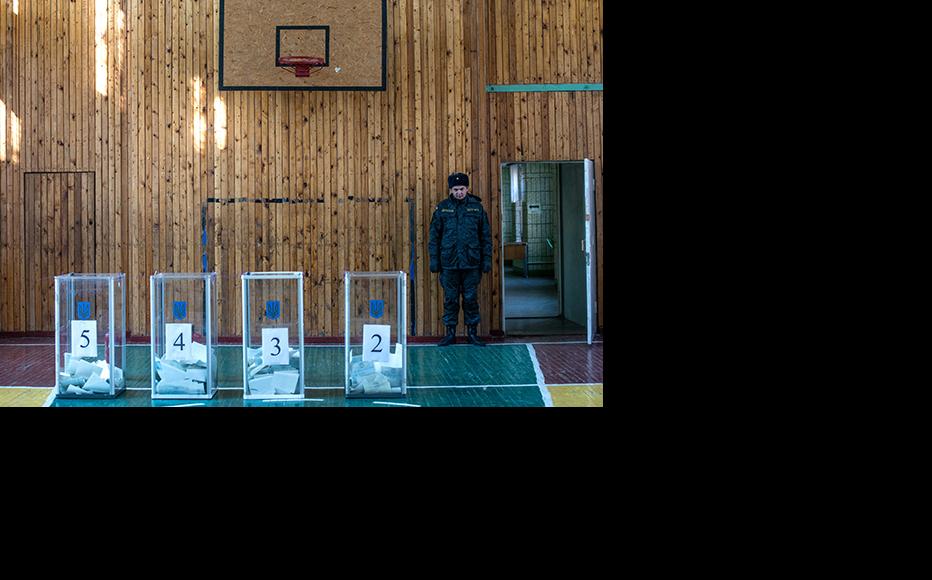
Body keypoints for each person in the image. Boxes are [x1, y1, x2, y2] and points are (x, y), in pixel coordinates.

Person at [428, 172, 492, 346]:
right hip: (449, 263)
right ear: (450, 190)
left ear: (467, 188)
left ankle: (472, 333)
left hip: (472, 263)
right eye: (455, 189)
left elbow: (485, 237)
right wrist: (434, 259)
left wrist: (487, 259)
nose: (459, 192)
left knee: (471, 299)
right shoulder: (442, 208)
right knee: (450, 299)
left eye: (462, 189)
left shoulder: (477, 209)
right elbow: (434, 237)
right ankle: (450, 333)